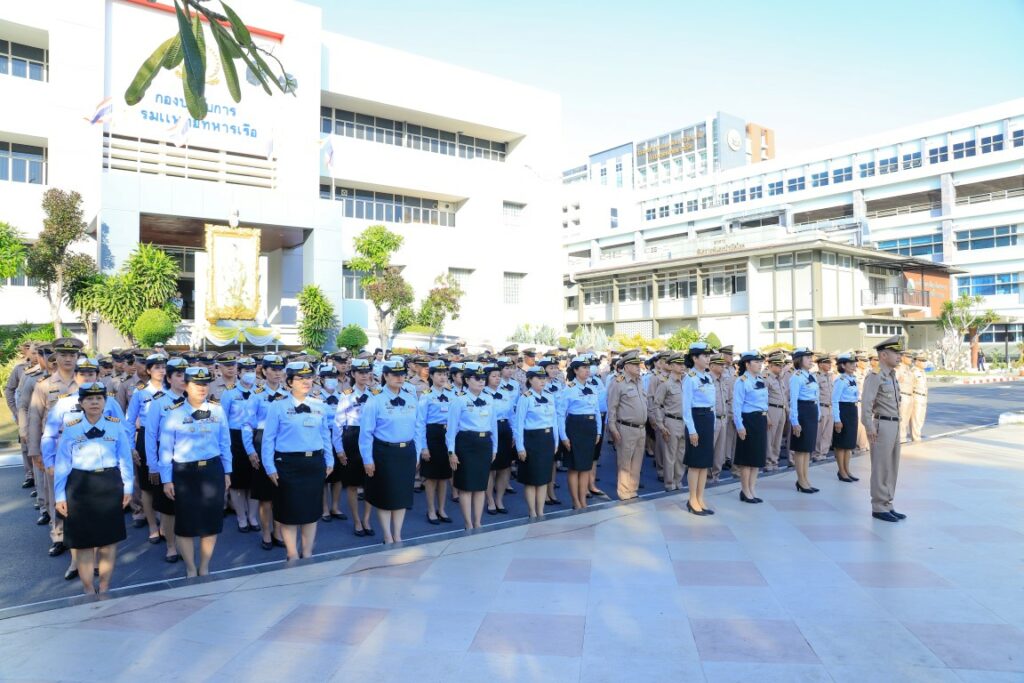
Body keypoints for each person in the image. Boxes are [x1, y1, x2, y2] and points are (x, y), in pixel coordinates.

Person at [53, 382, 133, 595]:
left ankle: (104, 586)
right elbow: (62, 464)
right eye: (89, 399)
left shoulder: (115, 425)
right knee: (83, 543)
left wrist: (128, 488)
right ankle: (88, 589)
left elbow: (125, 459)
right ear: (81, 403)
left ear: (105, 402)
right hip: (80, 487)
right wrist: (59, 496)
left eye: (99, 398)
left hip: (109, 484)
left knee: (108, 542)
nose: (95, 402)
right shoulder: (71, 427)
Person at [159, 367, 231, 577]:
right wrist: (166, 479)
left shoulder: (217, 410)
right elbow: (165, 449)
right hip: (185, 473)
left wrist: (227, 471)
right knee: (186, 523)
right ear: (186, 386)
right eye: (197, 384)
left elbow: (225, 443)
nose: (202, 388)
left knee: (211, 521)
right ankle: (191, 568)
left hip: (212, 470)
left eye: (205, 384)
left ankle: (204, 566)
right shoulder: (174, 413)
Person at [262, 362, 334, 560]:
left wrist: (330, 460)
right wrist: (269, 467)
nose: (306, 382)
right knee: (289, 512)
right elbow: (268, 439)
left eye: (309, 377)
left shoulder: (319, 405)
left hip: (314, 463)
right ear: (290, 382)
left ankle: (307, 552)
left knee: (311, 511)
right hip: (288, 464)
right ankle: (292, 553)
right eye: (300, 378)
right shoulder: (278, 406)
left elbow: (325, 435)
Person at [29, 336, 84, 558]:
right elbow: (35, 418)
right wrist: (35, 451)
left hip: (82, 447)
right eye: (63, 355)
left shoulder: (86, 382)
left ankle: (82, 535)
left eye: (72, 355)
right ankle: (59, 536)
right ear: (56, 357)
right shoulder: (44, 385)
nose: (68, 359)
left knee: (81, 493)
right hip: (55, 446)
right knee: (56, 493)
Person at [359, 358, 418, 544]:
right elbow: (366, 432)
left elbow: (417, 428)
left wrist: (417, 453)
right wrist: (367, 459)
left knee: (401, 495)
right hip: (384, 453)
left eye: (402, 374)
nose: (400, 378)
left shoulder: (411, 397)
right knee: (385, 496)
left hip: (406, 452)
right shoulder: (375, 399)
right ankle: (387, 534)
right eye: (395, 374)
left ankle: (398, 534)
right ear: (385, 375)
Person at [143, 356, 188, 562]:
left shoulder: (195, 400)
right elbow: (150, 435)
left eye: (185, 375)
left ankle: (185, 543)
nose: (183, 379)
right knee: (169, 508)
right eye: (178, 375)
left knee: (186, 506)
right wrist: (153, 466)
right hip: (166, 458)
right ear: (169, 378)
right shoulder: (159, 402)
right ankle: (171, 545)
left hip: (188, 457)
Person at [861, 336, 907, 523]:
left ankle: (888, 503)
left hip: (894, 424)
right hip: (882, 425)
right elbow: (866, 403)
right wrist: (869, 426)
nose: (899, 356)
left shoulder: (892, 375)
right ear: (884, 355)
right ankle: (879, 506)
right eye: (896, 353)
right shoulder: (875, 376)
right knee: (880, 467)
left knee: (892, 466)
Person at [447, 362, 498, 529]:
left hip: (484, 443)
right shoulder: (459, 400)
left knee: (480, 486)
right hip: (466, 444)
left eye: (483, 378)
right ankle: (468, 523)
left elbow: (493, 426)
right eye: (477, 378)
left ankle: (478, 522)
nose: (481, 381)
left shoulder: (489, 399)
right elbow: (451, 428)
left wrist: (495, 448)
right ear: (467, 380)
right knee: (466, 486)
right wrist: (451, 452)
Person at [246, 354, 289, 550]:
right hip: (261, 440)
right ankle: (266, 533)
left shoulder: (288, 394)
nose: (277, 373)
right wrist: (250, 450)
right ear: (264, 371)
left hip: (282, 443)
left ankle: (278, 531)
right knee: (265, 496)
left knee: (280, 493)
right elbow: (247, 424)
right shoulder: (256, 395)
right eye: (273, 369)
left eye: (280, 369)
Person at [124, 353, 169, 543]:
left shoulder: (172, 389)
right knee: (147, 487)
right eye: (156, 367)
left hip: (167, 438)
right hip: (145, 438)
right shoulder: (140, 392)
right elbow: (129, 421)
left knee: (166, 482)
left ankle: (165, 524)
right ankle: (152, 526)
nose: (161, 370)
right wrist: (131, 447)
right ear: (148, 370)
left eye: (163, 367)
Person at [334, 358, 376, 536]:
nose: (364, 375)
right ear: (353, 374)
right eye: (360, 372)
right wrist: (339, 449)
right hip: (352, 437)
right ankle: (357, 520)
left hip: (371, 437)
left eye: (367, 372)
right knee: (352, 484)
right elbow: (338, 424)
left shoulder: (375, 394)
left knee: (370, 482)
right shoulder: (346, 395)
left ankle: (366, 519)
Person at [219, 356, 260, 533]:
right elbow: (222, 420)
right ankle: (241, 517)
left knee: (254, 480)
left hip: (254, 436)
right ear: (239, 372)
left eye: (252, 370)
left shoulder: (260, 392)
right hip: (234, 438)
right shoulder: (229, 393)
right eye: (246, 370)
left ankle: (252, 516)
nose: (250, 374)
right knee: (237, 482)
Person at [557, 356, 602, 510]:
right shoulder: (568, 389)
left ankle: (583, 500)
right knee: (574, 467)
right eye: (584, 368)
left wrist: (598, 431)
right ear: (575, 370)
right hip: (575, 427)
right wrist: (563, 436)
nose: (587, 370)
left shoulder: (593, 387)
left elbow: (597, 411)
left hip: (590, 428)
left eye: (588, 368)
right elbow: (561, 414)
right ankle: (575, 501)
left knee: (585, 467)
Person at [513, 366, 558, 518]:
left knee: (544, 478)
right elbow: (518, 424)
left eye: (543, 378)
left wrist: (556, 441)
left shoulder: (550, 396)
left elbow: (554, 420)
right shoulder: (525, 398)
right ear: (530, 380)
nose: (542, 381)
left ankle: (541, 511)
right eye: (538, 378)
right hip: (531, 440)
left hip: (547, 439)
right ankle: (532, 512)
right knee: (531, 479)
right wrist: (520, 447)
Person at [415, 359, 455, 524]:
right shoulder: (426, 395)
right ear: (431, 376)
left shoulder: (452, 395)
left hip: (448, 436)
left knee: (444, 477)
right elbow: (420, 423)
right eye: (439, 374)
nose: (443, 377)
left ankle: (442, 509)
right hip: (432, 436)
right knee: (431, 478)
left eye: (445, 374)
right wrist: (423, 447)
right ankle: (431, 510)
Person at [606, 350, 647, 501]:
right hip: (626, 428)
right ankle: (624, 492)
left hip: (641, 428)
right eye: (635, 365)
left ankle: (633, 490)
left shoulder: (639, 381)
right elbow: (612, 406)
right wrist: (612, 428)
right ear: (627, 366)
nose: (638, 367)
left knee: (637, 462)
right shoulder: (618, 382)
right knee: (625, 462)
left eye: (639, 364)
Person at [682, 342, 716, 515]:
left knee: (704, 464)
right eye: (704, 356)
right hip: (696, 419)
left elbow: (712, 403)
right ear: (695, 358)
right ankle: (692, 499)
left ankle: (700, 497)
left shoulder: (708, 377)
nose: (708, 358)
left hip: (708, 419)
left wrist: (713, 423)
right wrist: (692, 430)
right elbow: (686, 407)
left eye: (709, 356)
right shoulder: (690, 378)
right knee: (695, 464)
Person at [732, 351, 768, 504]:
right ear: (747, 364)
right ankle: (745, 490)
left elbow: (763, 401)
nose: (760, 364)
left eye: (761, 362)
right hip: (748, 420)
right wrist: (739, 426)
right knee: (747, 458)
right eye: (756, 362)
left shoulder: (760, 379)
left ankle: (752, 489)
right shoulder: (742, 381)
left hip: (760, 419)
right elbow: (737, 405)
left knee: (757, 457)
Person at [483, 362, 516, 514]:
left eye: (498, 376)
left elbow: (511, 415)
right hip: (490, 430)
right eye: (494, 376)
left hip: (504, 429)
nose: (497, 379)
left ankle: (499, 499)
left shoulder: (505, 393)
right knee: (491, 468)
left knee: (505, 467)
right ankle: (490, 499)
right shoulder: (482, 394)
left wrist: (514, 433)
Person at [788, 347, 819, 494]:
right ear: (799, 360)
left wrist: (818, 413)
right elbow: (793, 400)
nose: (811, 360)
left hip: (811, 411)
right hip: (802, 412)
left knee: (807, 449)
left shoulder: (811, 376)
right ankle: (801, 480)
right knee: (800, 449)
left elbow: (816, 396)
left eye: (811, 357)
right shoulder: (797, 377)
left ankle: (805, 479)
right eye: (807, 358)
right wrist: (795, 421)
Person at [653, 352, 686, 492]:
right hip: (671, 421)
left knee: (681, 455)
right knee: (670, 455)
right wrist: (660, 424)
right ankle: (669, 483)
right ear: (671, 366)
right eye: (678, 364)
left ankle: (678, 480)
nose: (682, 366)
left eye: (683, 364)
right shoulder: (666, 384)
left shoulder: (685, 383)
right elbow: (656, 405)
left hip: (684, 422)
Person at [831, 353, 860, 483]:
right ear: (843, 365)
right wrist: (837, 420)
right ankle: (841, 471)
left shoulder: (852, 378)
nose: (854, 365)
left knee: (849, 444)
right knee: (841, 444)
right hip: (843, 411)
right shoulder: (840, 380)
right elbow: (835, 400)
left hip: (852, 410)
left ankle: (847, 470)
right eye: (851, 363)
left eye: (854, 363)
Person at [709, 353, 733, 483]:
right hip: (712, 419)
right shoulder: (707, 380)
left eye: (723, 364)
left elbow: (729, 399)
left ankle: (716, 475)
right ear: (712, 366)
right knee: (710, 448)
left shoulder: (724, 380)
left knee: (720, 450)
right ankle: (707, 476)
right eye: (719, 364)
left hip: (723, 418)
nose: (723, 367)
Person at [763, 353, 788, 472]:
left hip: (781, 410)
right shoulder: (766, 378)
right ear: (771, 366)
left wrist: (788, 411)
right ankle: (768, 462)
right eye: (778, 366)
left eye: (782, 366)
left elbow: (784, 396)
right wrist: (766, 415)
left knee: (778, 438)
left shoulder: (779, 379)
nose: (781, 368)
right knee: (770, 438)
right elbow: (763, 398)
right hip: (772, 409)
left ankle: (774, 461)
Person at [812, 354, 835, 463]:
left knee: (828, 433)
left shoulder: (830, 376)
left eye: (830, 363)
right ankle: (816, 453)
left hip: (830, 406)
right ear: (820, 364)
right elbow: (815, 394)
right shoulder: (815, 377)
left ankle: (823, 453)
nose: (829, 365)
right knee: (819, 432)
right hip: (821, 406)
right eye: (827, 363)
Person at [896, 350, 915, 443]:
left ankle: (903, 437)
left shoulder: (909, 369)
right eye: (908, 357)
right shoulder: (898, 368)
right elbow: (895, 383)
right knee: (901, 418)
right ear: (902, 357)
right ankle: (900, 438)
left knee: (906, 419)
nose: (910, 359)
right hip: (902, 395)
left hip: (910, 396)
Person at [910, 352, 929, 442]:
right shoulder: (913, 372)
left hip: (923, 397)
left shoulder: (923, 372)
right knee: (916, 418)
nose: (924, 363)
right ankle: (916, 438)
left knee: (921, 418)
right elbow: (910, 385)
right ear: (916, 361)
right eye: (922, 361)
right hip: (916, 396)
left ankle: (917, 435)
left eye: (924, 361)